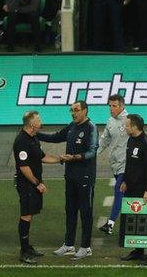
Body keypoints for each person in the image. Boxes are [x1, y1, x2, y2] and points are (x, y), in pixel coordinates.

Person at [37, 100, 99, 260]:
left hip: (85, 176)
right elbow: (56, 137)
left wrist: (74, 157)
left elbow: (92, 151)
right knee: (70, 210)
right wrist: (34, 133)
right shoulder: (72, 126)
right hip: (70, 175)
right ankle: (69, 244)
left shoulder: (91, 127)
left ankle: (85, 247)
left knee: (86, 212)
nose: (73, 113)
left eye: (76, 110)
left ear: (85, 110)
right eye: (71, 110)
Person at [13, 111, 61, 264]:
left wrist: (61, 159)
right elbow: (24, 167)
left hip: (33, 184)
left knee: (30, 214)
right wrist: (37, 183)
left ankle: (27, 247)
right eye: (38, 119)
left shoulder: (34, 138)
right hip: (27, 184)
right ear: (32, 124)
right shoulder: (22, 141)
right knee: (26, 214)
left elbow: (42, 157)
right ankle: (24, 251)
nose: (41, 121)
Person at [119, 114, 147, 266]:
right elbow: (130, 164)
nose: (125, 127)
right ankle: (138, 251)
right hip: (132, 187)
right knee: (134, 220)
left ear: (135, 127)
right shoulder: (131, 140)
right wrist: (126, 181)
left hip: (144, 190)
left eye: (127, 125)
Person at [97, 94, 128, 235]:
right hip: (115, 164)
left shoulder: (129, 121)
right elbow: (104, 141)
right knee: (126, 195)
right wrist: (92, 155)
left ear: (122, 106)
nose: (111, 108)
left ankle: (110, 224)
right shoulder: (110, 122)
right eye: (109, 106)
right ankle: (130, 223)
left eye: (114, 106)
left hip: (126, 165)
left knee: (119, 190)